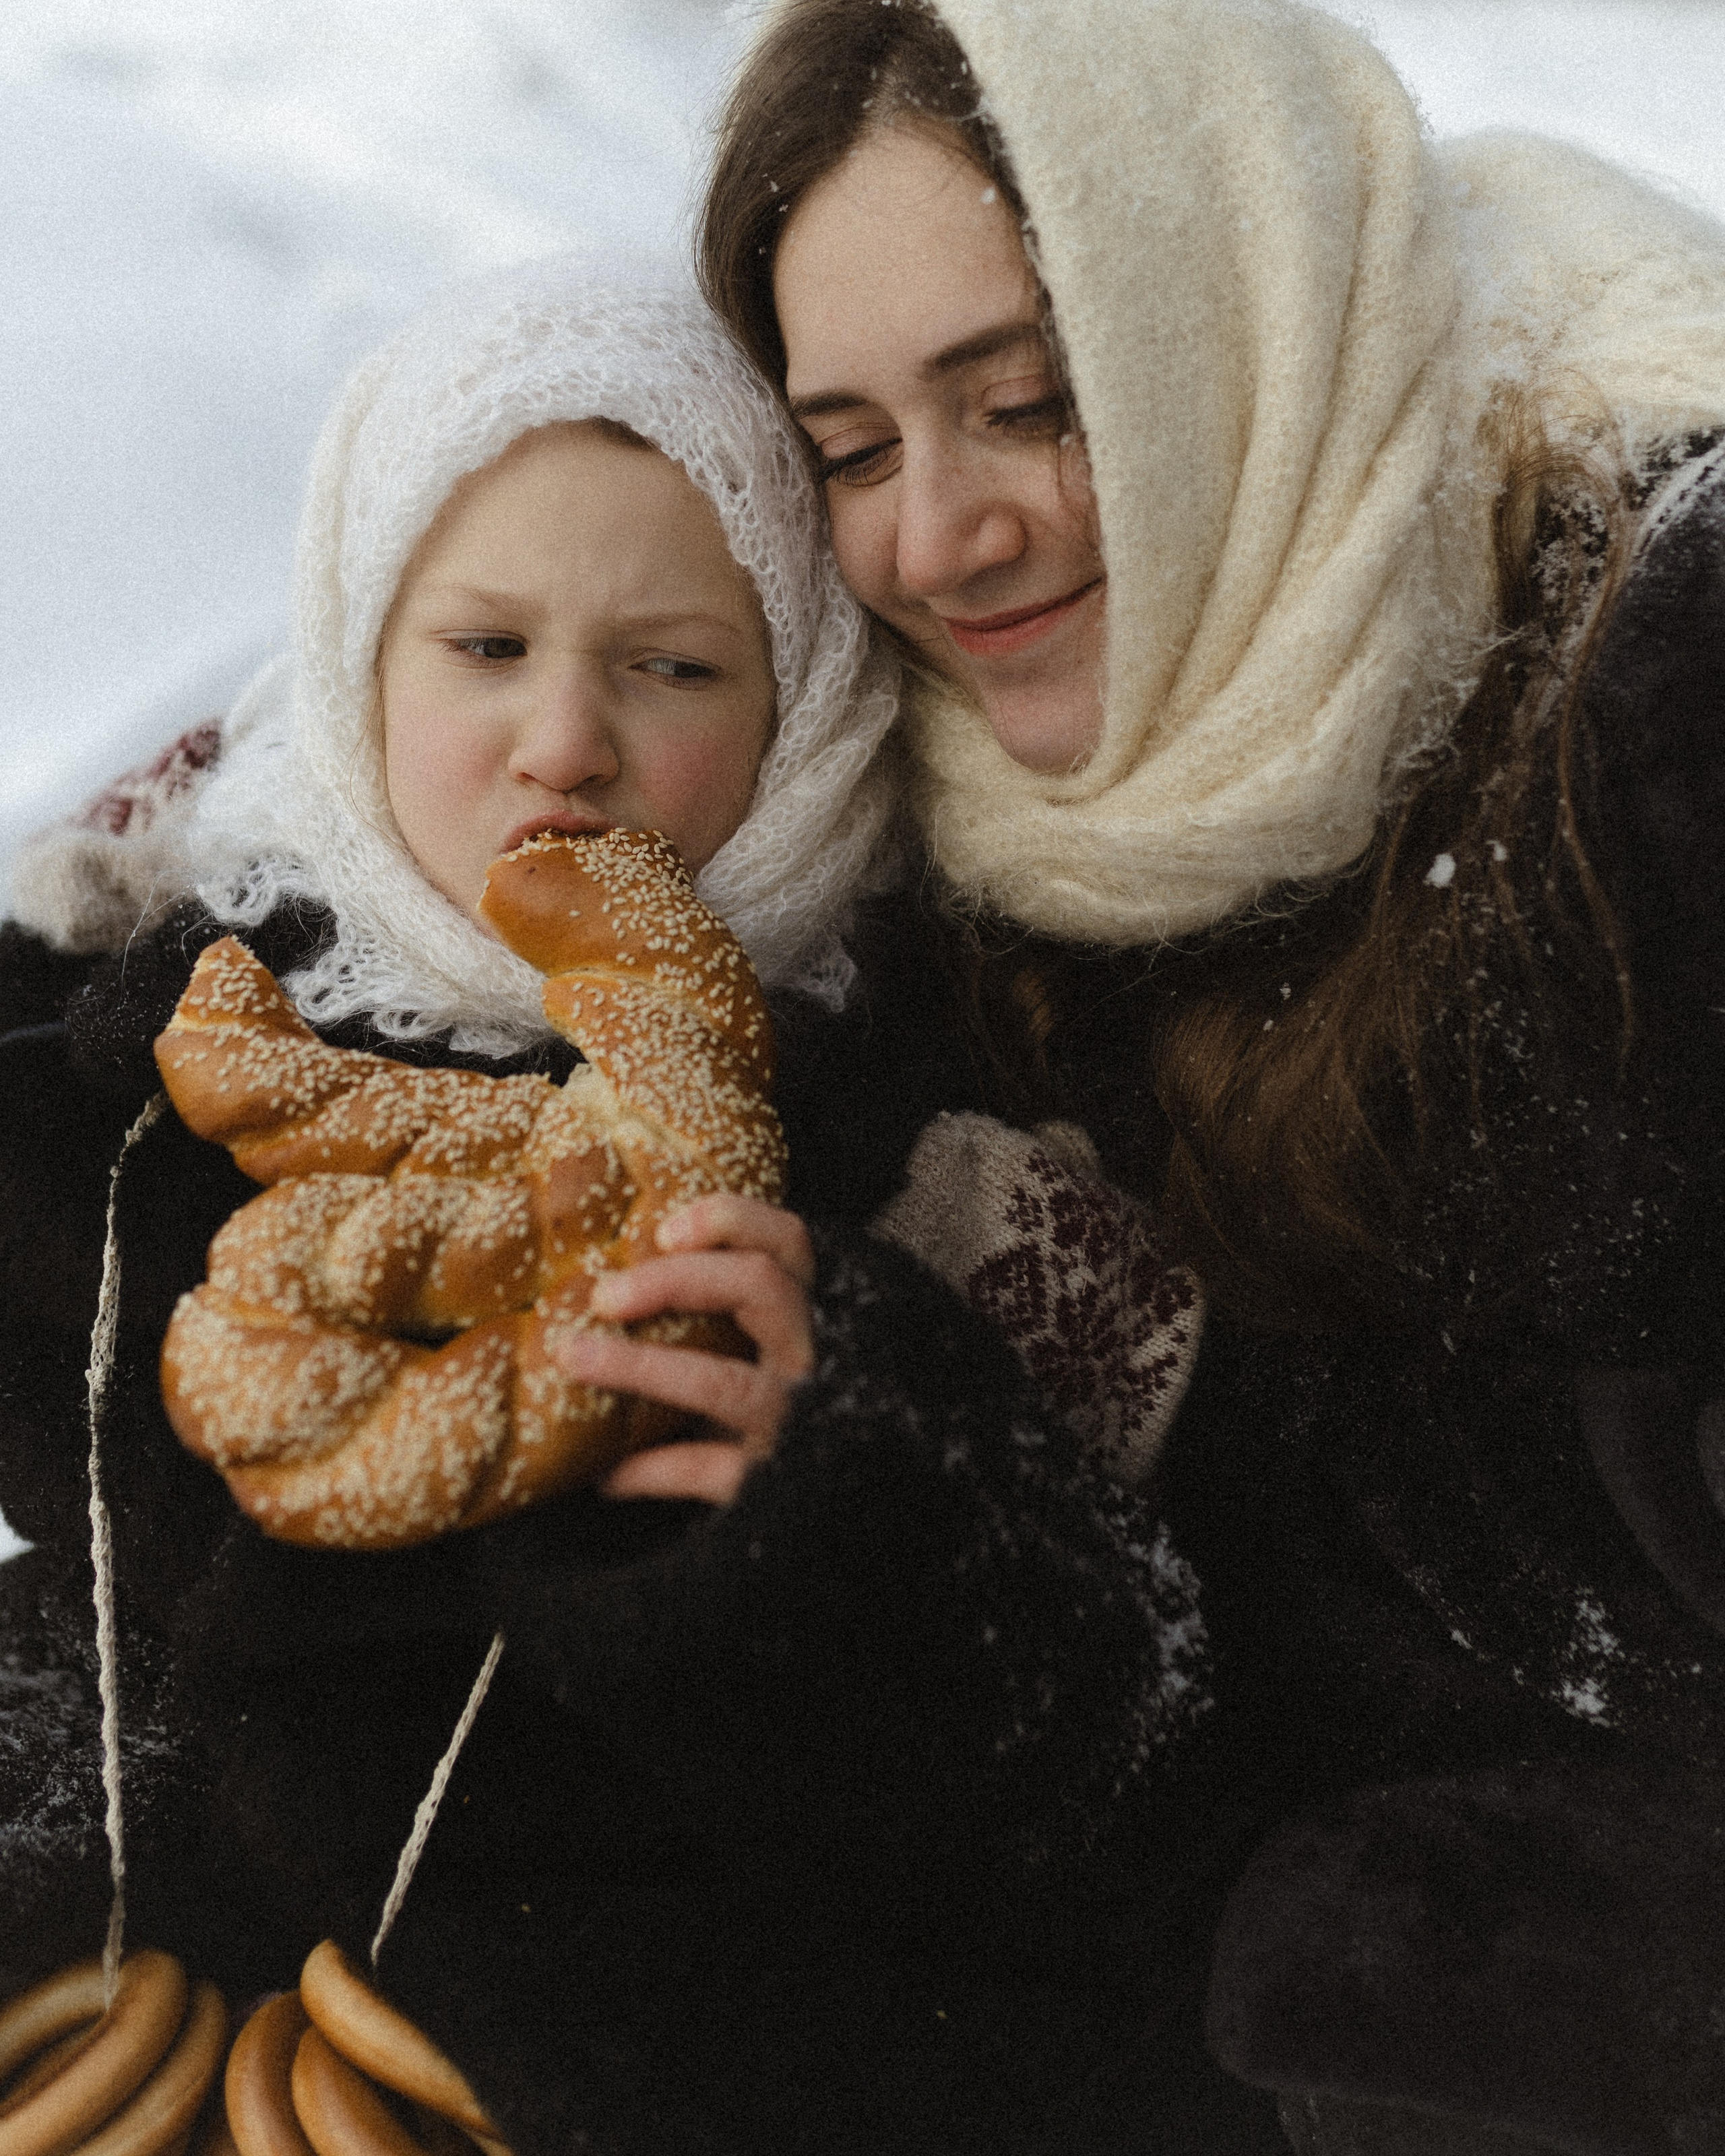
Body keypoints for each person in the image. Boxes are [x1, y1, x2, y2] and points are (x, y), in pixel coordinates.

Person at [0, 259, 1221, 2153]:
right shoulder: (127, 1047)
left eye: (670, 666)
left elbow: (1118, 1732)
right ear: (355, 656)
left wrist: (859, 1468)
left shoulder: (920, 1149)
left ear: (804, 699)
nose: (562, 739)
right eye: (484, 648)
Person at [690, 0, 1725, 2147]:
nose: (945, 540)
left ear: (1225, 314)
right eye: (858, 451)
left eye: (1035, 402)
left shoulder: (1661, 689)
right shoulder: (934, 820)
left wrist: (1553, 1981)